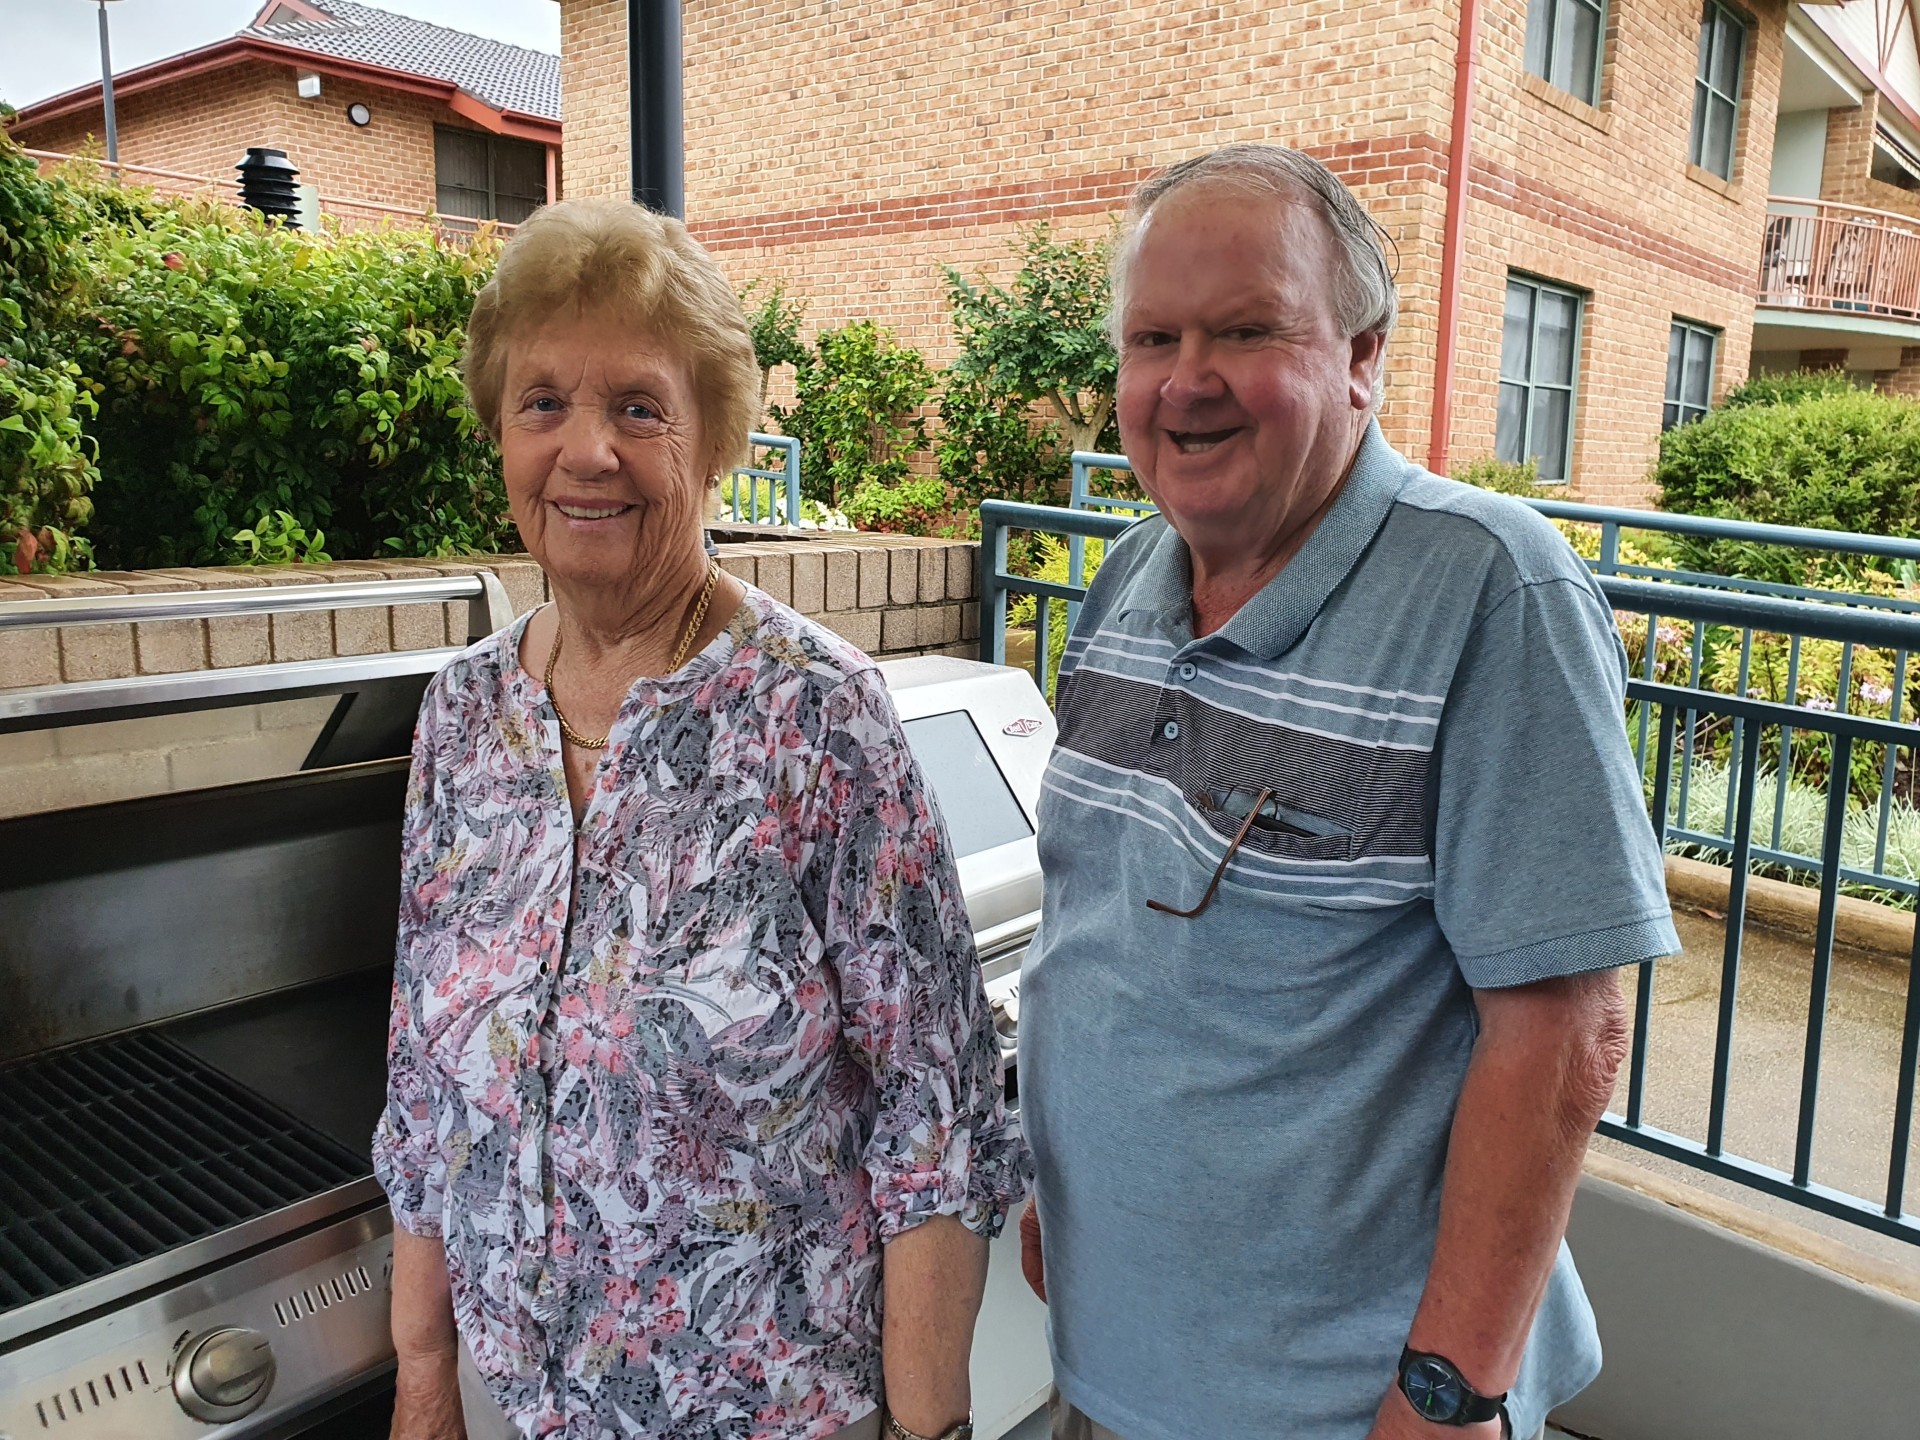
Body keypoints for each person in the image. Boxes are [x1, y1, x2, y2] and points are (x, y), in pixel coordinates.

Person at [1017, 145, 1677, 1440]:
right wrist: (1066, 1175)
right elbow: (1102, 932)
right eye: (1153, 339)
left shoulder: (1492, 591)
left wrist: (1448, 1391)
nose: (1185, 381)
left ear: (1363, 356)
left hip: (1338, 1405)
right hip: (1113, 1352)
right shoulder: (1130, 577)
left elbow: (1564, 1039)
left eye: (1245, 330)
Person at [374, 198, 1027, 1440]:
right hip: (523, 1404)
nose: (586, 452)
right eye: (543, 402)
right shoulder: (463, 715)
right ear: (500, 431)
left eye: (638, 407)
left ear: (714, 436)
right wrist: (421, 1377)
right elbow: (421, 1086)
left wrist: (928, 1429)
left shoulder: (817, 713)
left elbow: (933, 1119)